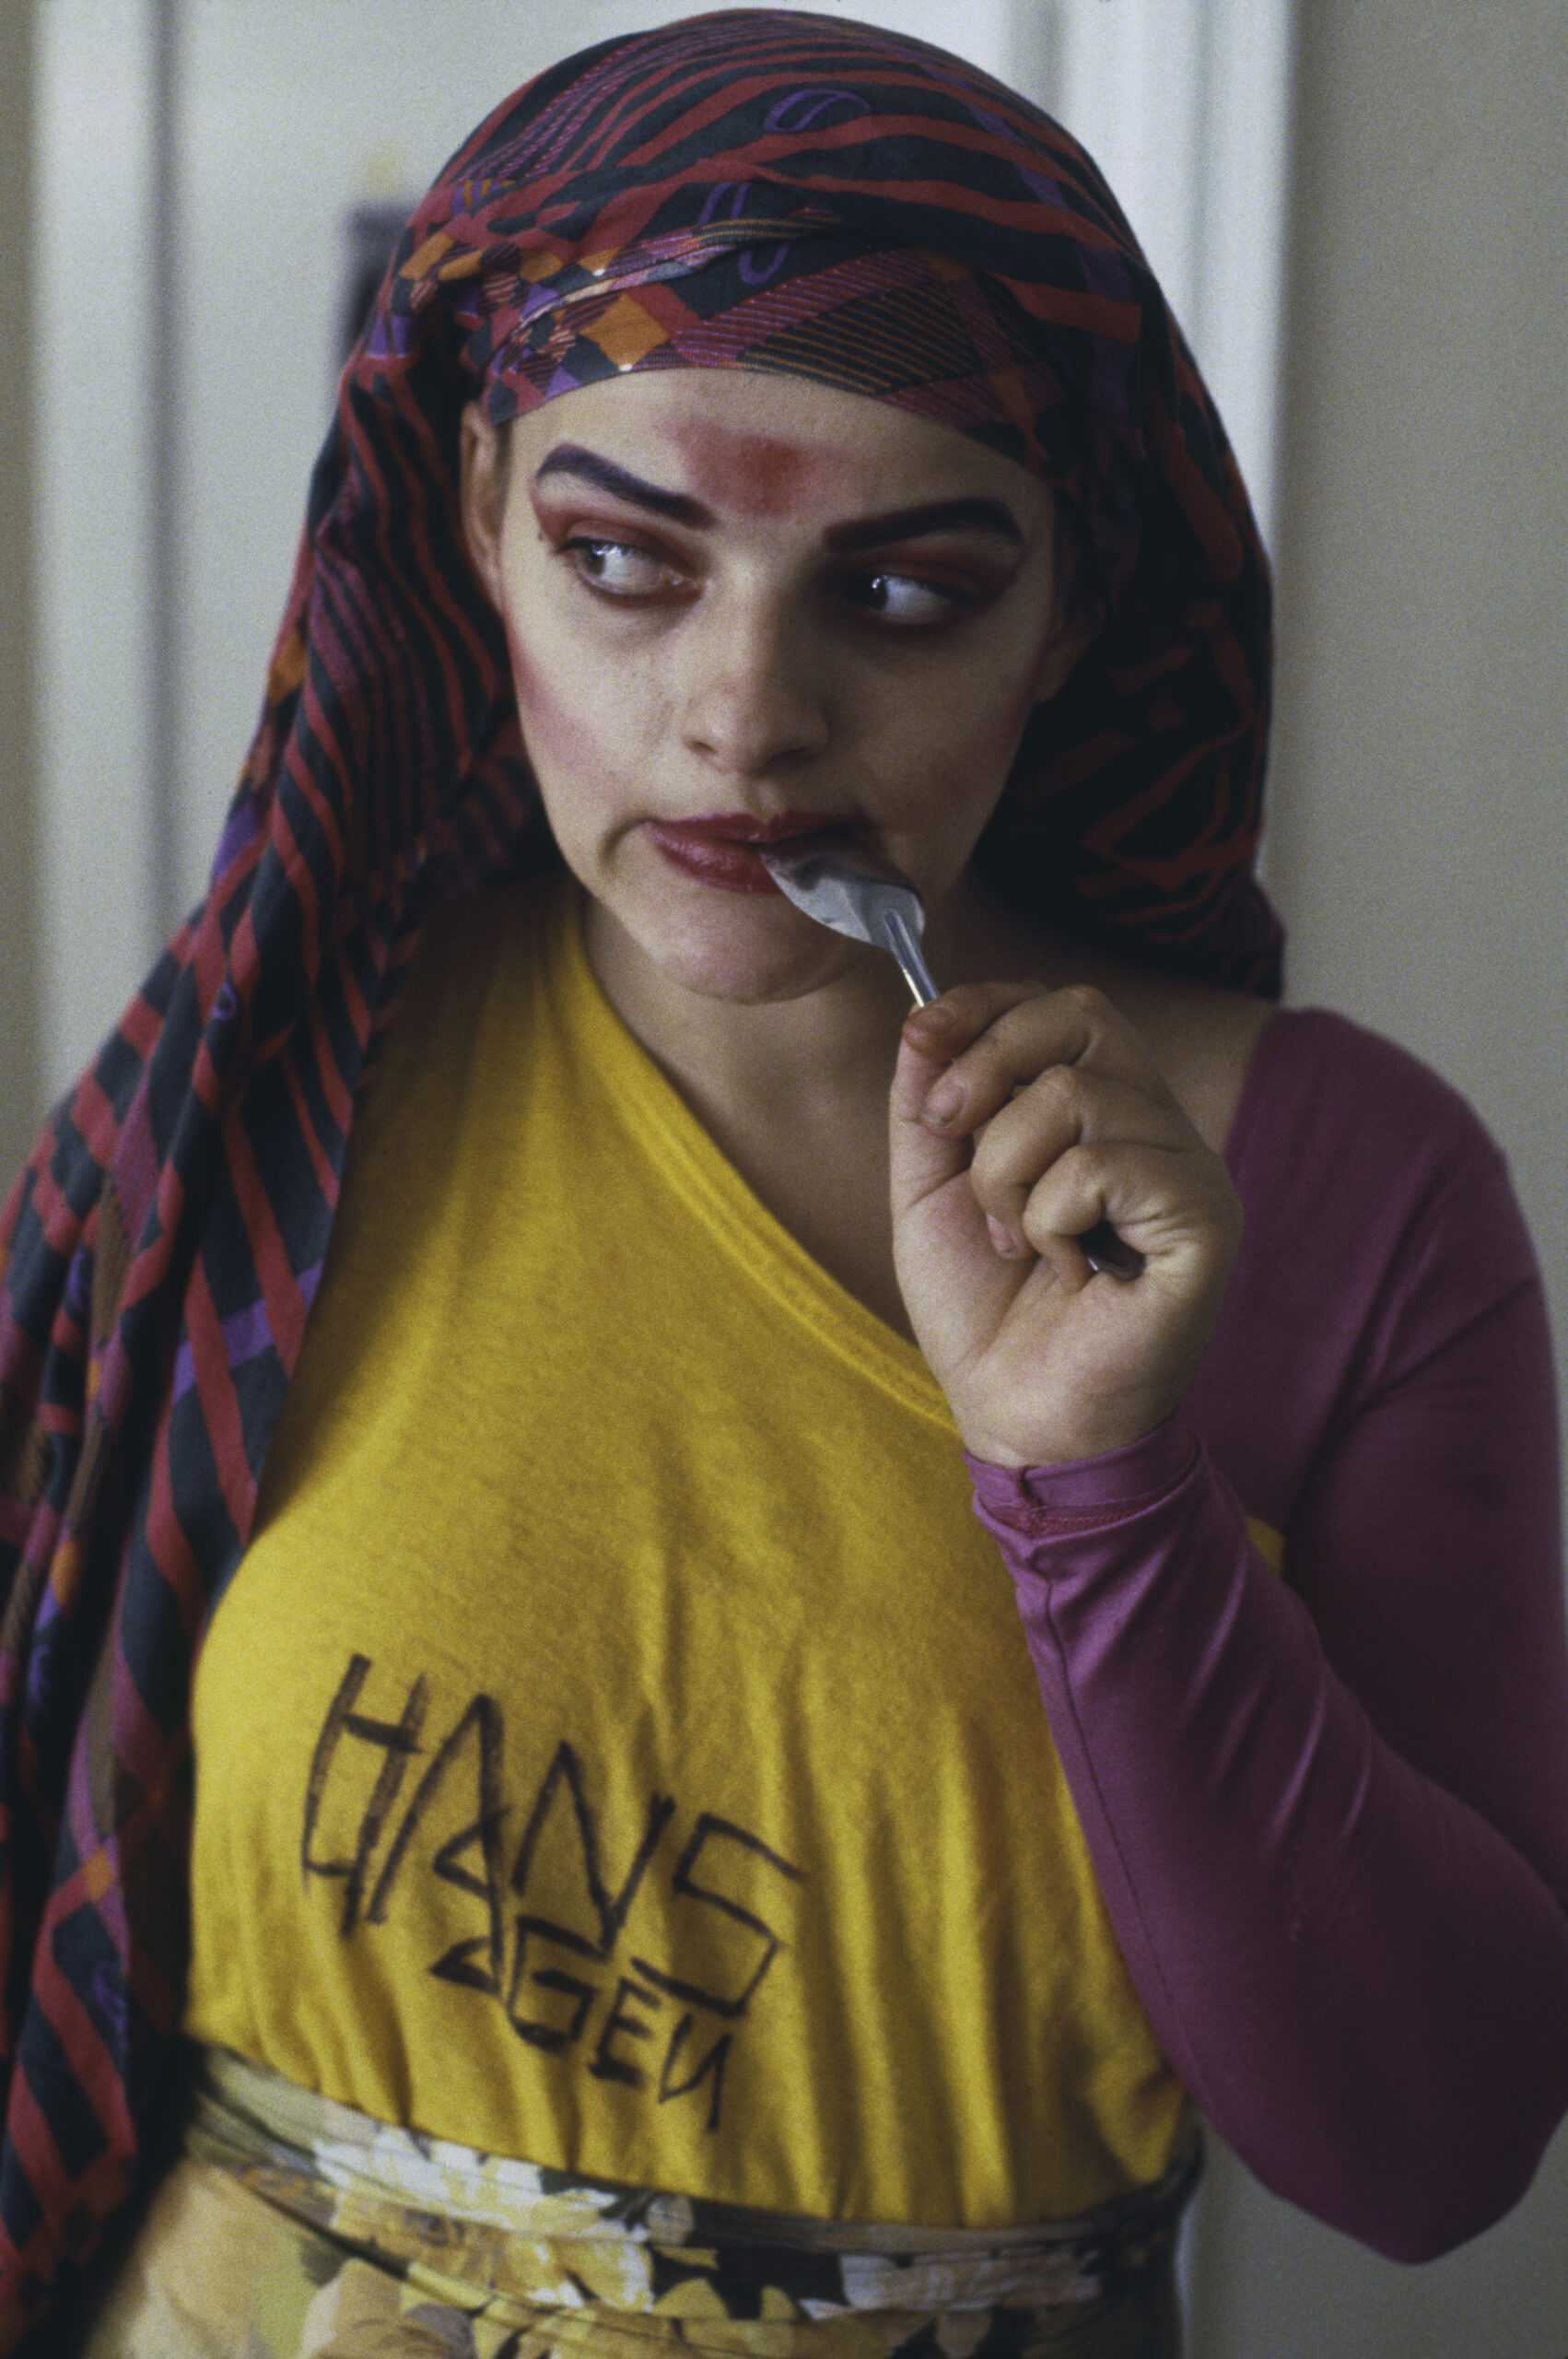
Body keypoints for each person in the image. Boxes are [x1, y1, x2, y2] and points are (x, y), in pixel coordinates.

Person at [2, 12, 1566, 2353]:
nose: (744, 714)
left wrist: (1096, 1484)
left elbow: (1427, 2157)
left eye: (906, 595)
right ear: (469, 529)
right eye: (625, 563)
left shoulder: (1333, 1207)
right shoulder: (280, 1097)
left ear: (1068, 615)